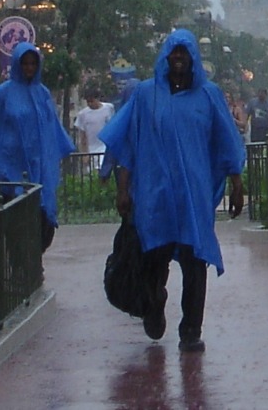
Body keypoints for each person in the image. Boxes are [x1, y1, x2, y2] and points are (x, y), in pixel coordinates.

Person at [100, 29, 246, 353]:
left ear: (193, 57)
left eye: (185, 53)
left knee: (195, 263)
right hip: (155, 195)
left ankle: (191, 329)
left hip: (192, 196)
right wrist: (123, 189)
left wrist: (237, 184)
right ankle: (154, 305)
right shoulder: (145, 95)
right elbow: (128, 144)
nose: (179, 58)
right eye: (174, 53)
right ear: (166, 56)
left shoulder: (209, 96)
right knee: (154, 259)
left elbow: (226, 142)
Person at [0, 43, 77, 249]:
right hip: (13, 167)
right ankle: (19, 268)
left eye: (33, 63)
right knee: (16, 221)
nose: (29, 68)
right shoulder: (2, 94)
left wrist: (57, 154)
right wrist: (0, 166)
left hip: (40, 165)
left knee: (43, 222)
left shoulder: (42, 93)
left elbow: (51, 125)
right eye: (24, 63)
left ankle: (34, 263)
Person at [73, 86, 116, 155]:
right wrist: (84, 152)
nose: (90, 104)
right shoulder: (83, 114)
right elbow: (82, 135)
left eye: (92, 101)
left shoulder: (109, 108)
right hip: (91, 149)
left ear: (98, 99)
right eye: (88, 102)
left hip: (105, 147)